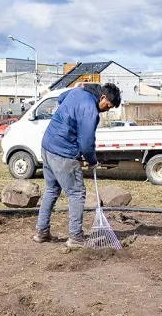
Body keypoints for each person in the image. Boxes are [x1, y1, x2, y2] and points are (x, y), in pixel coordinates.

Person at [33, 82, 122, 247]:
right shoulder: (90, 110)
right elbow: (86, 142)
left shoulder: (78, 91)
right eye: (108, 106)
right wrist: (93, 160)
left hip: (47, 145)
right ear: (103, 97)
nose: (107, 110)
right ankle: (76, 237)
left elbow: (60, 99)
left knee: (52, 190)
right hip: (63, 152)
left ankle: (41, 232)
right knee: (76, 193)